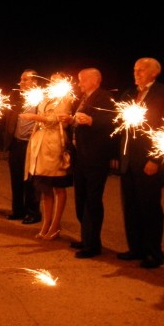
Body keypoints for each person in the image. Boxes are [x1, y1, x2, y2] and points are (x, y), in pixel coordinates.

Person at [116, 57, 164, 268]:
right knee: (130, 206)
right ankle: (135, 248)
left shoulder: (163, 93)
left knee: (149, 208)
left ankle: (154, 253)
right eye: (135, 70)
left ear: (154, 72)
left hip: (148, 160)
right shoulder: (130, 93)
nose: (136, 73)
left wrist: (155, 159)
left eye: (141, 70)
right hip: (128, 159)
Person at [59, 68, 116, 258]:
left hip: (95, 157)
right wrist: (71, 120)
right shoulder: (83, 99)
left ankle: (93, 245)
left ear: (95, 80)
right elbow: (80, 120)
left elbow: (111, 120)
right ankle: (86, 238)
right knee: (81, 199)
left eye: (82, 80)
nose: (79, 83)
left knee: (92, 200)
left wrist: (91, 120)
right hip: (80, 156)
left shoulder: (105, 98)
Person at [21, 71, 74, 241]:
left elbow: (55, 119)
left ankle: (55, 225)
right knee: (45, 188)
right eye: (51, 80)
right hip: (41, 145)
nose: (52, 83)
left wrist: (35, 117)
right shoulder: (45, 98)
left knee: (58, 186)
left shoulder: (65, 99)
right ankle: (46, 223)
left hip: (54, 145)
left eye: (57, 81)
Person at [3, 69, 42, 224]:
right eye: (21, 79)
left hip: (31, 144)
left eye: (25, 79)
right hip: (16, 143)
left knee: (31, 180)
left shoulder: (41, 98)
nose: (21, 82)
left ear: (35, 81)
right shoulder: (15, 96)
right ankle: (17, 210)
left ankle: (33, 212)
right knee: (16, 178)